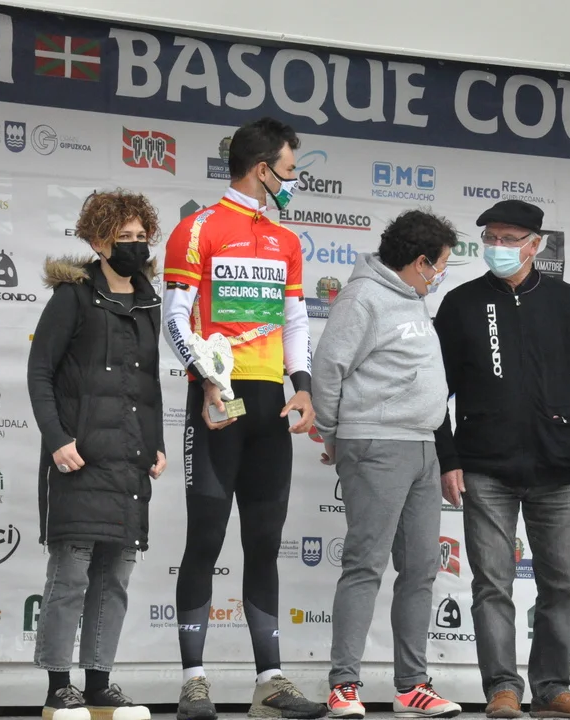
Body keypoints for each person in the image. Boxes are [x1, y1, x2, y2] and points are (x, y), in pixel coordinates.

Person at [162, 117, 325, 720]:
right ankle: (194, 682)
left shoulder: (285, 240)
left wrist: (303, 387)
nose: (294, 180)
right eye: (290, 169)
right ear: (262, 169)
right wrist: (206, 379)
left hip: (269, 406)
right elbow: (175, 319)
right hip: (218, 402)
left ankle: (270, 684)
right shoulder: (197, 228)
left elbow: (295, 320)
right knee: (205, 539)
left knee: (263, 544)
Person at [433, 200, 570, 719]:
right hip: (483, 468)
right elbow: (433, 390)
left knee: (559, 586)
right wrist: (448, 458)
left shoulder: (566, 301)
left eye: (510, 238)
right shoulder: (460, 303)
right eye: (491, 237)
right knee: (491, 586)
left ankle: (552, 689)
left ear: (535, 245)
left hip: (557, 470)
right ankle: (502, 689)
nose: (497, 246)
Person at [311, 210, 463, 719]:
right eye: (439, 265)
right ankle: (343, 685)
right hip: (376, 443)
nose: (440, 275)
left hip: (423, 446)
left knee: (420, 568)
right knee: (365, 564)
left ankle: (411, 686)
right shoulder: (362, 297)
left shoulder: (413, 297)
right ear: (420, 262)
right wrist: (334, 435)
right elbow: (328, 369)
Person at [27, 189, 168, 720]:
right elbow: (40, 373)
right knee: (70, 576)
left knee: (116, 576)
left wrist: (155, 442)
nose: (134, 245)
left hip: (129, 461)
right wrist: (57, 439)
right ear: (97, 242)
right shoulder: (73, 296)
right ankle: (58, 686)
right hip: (80, 459)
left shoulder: (149, 300)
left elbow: (148, 384)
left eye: (141, 236)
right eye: (122, 237)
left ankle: (100, 684)